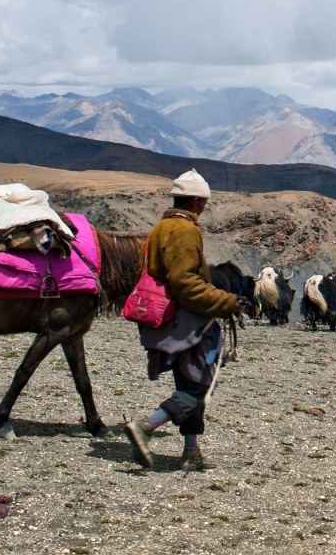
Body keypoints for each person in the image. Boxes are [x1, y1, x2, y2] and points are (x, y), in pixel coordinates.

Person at [125, 169, 244, 471]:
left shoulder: (158, 229)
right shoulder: (185, 231)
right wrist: (226, 301)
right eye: (203, 203)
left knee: (188, 380)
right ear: (193, 201)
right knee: (199, 385)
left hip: (167, 318)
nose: (204, 208)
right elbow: (186, 283)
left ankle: (191, 451)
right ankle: (147, 426)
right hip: (186, 321)